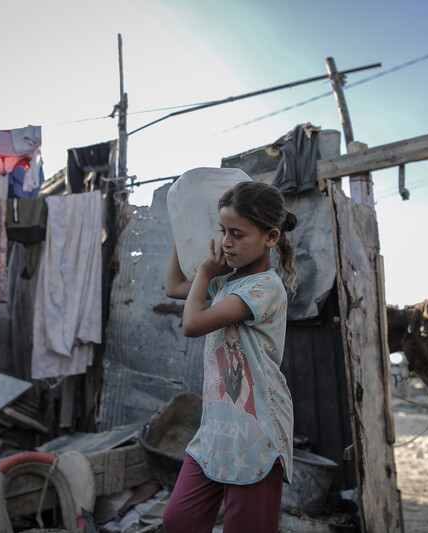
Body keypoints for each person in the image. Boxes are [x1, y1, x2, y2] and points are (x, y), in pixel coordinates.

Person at [163, 180, 297, 533]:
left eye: (237, 234)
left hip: (257, 431)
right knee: (179, 520)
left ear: (271, 237)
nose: (225, 242)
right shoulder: (228, 282)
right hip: (216, 428)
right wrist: (184, 220)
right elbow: (175, 285)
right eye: (222, 231)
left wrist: (205, 271)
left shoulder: (264, 287)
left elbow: (192, 324)